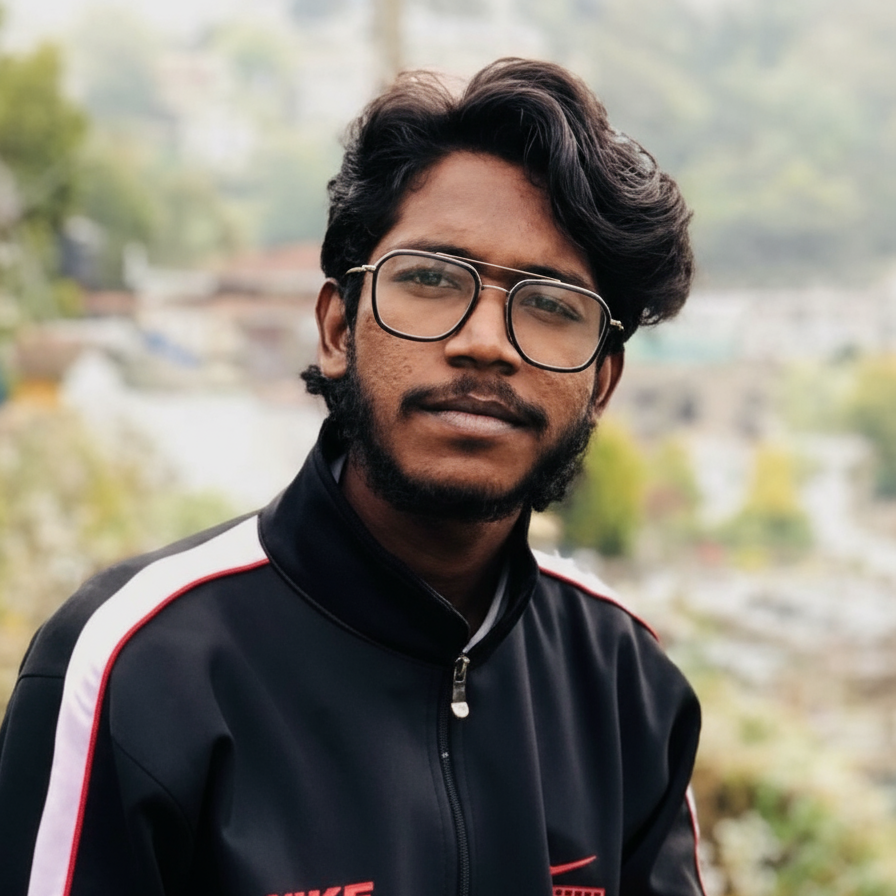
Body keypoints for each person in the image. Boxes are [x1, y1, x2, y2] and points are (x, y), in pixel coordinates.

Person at [0, 58, 703, 896]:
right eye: (431, 279)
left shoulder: (621, 678)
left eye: (552, 304)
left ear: (602, 384)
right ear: (338, 328)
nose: (485, 342)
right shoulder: (137, 666)